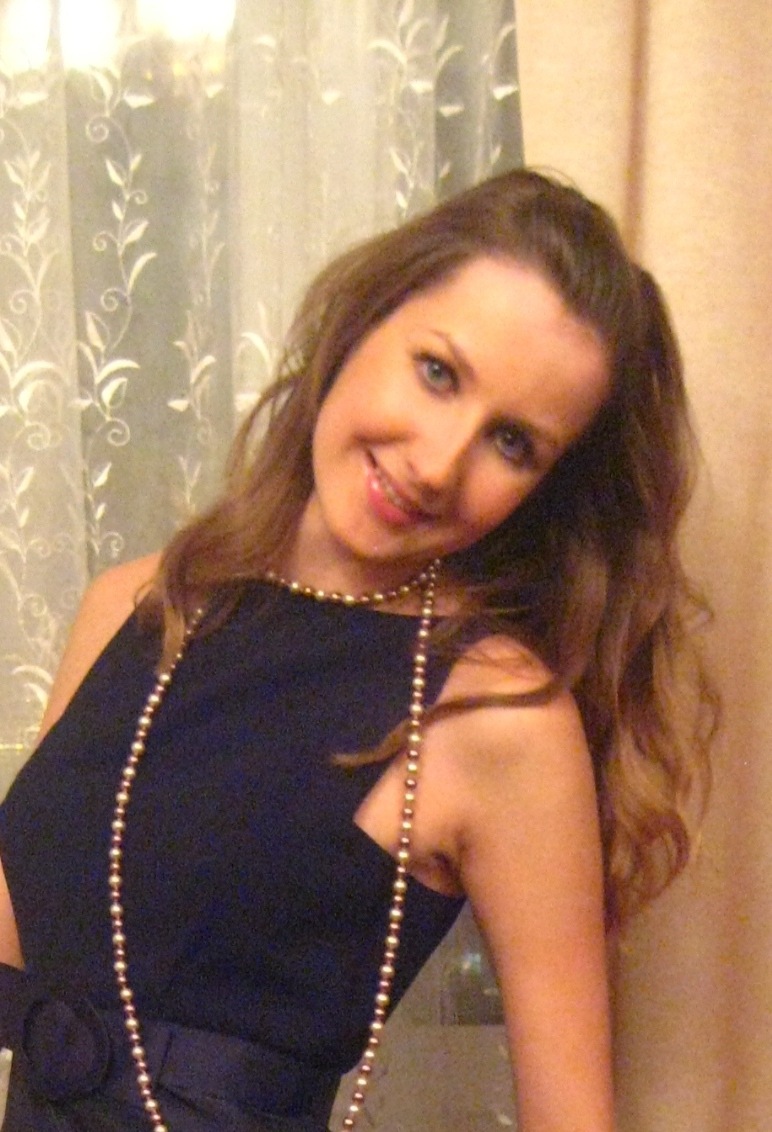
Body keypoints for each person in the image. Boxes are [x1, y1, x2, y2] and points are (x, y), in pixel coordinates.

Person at [0, 168, 715, 1132]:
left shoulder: (496, 714)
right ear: (364, 320)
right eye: (438, 373)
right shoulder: (134, 606)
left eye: (512, 443)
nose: (437, 463)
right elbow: (29, 942)